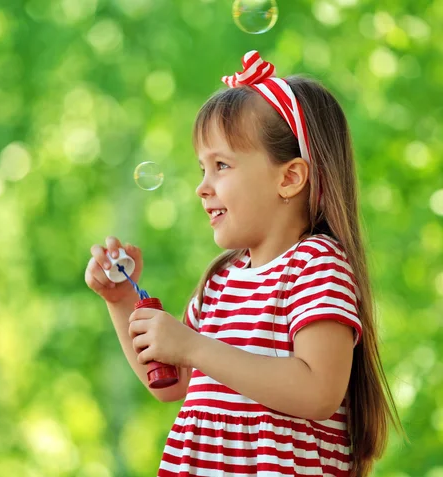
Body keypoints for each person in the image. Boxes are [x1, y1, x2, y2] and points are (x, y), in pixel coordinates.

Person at [84, 51, 402, 476]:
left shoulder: (315, 265)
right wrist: (122, 299)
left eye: (221, 165)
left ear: (289, 178)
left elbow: (318, 391)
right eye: (202, 168)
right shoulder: (220, 281)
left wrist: (193, 346)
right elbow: (170, 382)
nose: (202, 187)